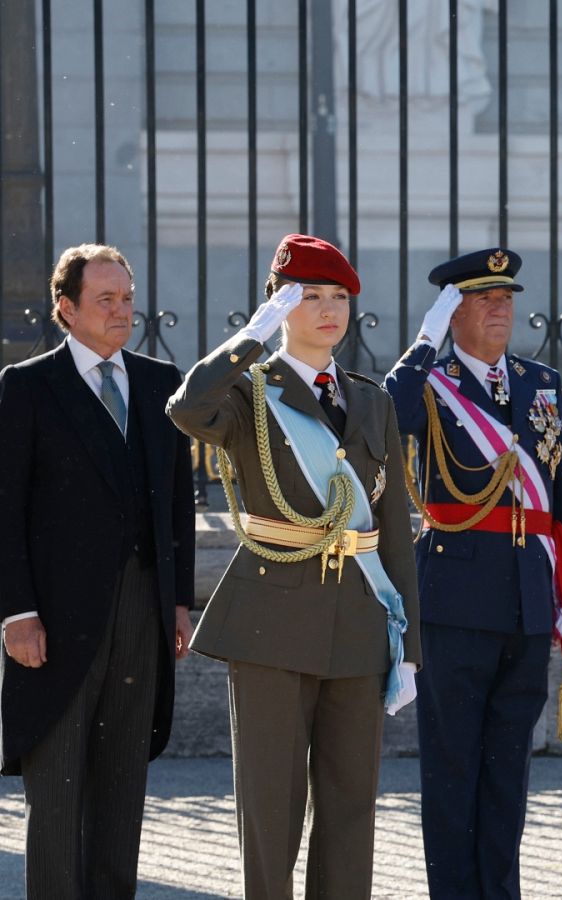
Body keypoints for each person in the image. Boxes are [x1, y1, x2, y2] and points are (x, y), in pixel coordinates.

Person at [167, 233, 422, 899]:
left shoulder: (371, 400)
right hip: (270, 624)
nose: (329, 310)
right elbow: (186, 410)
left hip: (359, 625)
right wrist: (248, 341)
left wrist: (409, 644)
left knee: (350, 810)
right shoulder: (250, 391)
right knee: (271, 810)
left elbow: (393, 531)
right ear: (279, 307)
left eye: (338, 296)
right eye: (310, 297)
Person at [384, 248, 562, 900]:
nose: (501, 309)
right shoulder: (432, 384)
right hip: (455, 599)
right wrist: (424, 340)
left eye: (507, 297)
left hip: (528, 599)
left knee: (507, 775)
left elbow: (557, 504)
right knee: (452, 772)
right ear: (454, 311)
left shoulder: (541, 382)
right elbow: (387, 417)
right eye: (482, 299)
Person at [0, 244, 196, 898]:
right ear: (67, 307)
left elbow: (175, 505)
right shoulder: (27, 388)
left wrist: (178, 604)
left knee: (121, 789)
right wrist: (16, 613)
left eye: (128, 299)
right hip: (53, 621)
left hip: (142, 611)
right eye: (105, 300)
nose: (122, 312)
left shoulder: (161, 383)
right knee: (54, 797)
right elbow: (6, 510)